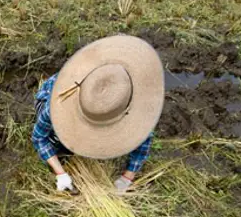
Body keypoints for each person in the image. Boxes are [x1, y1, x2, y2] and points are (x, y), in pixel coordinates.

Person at [31, 35, 164, 194]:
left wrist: (127, 178)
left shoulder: (123, 87)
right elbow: (39, 138)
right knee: (60, 144)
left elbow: (144, 139)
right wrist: (61, 173)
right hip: (50, 94)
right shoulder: (56, 106)